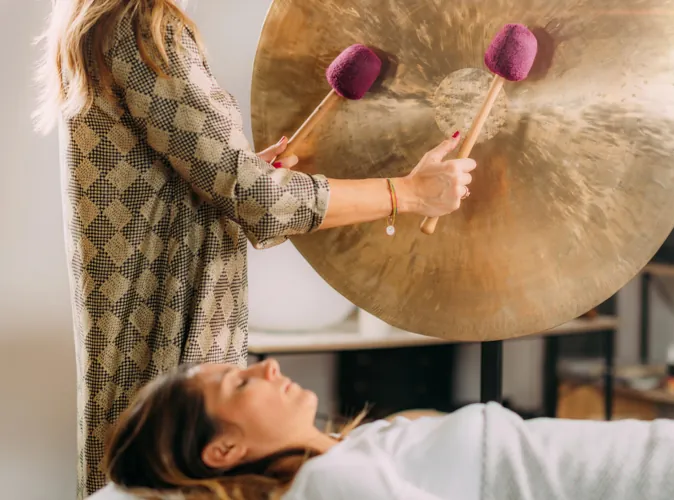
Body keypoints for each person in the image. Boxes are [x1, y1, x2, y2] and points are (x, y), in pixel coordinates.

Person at [32, 1, 475, 497]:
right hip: (171, 339)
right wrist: (408, 194)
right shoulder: (140, 22)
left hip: (146, 328)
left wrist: (246, 170)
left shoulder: (105, 21)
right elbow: (256, 199)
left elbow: (190, 180)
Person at [96, 358, 674, 500]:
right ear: (224, 450)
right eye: (240, 382)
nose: (268, 365)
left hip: (636, 456)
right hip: (638, 478)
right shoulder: (333, 482)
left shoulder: (348, 453)